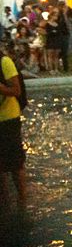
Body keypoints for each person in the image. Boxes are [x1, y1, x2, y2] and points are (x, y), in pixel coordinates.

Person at [0, 49, 26, 208]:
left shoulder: (4, 62)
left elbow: (16, 90)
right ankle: (5, 201)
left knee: (16, 163)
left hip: (9, 118)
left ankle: (22, 200)